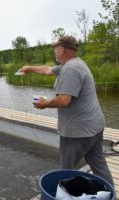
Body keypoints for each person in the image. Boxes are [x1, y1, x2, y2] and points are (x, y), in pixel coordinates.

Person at [20, 35, 114, 186]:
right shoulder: (72, 64)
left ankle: (65, 194)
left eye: (55, 48)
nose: (54, 51)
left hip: (78, 132)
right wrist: (29, 68)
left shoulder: (71, 69)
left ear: (62, 49)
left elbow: (64, 100)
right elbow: (47, 70)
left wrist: (44, 103)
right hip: (94, 127)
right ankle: (112, 194)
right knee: (99, 164)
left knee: (66, 169)